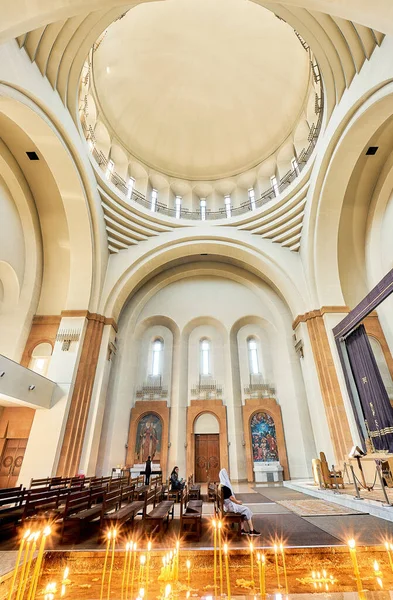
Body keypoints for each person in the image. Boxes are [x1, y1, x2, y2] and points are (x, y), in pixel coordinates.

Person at [219, 468, 260, 536]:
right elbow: (231, 498)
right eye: (227, 474)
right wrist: (237, 502)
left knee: (243, 510)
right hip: (230, 507)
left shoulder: (220, 486)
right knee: (246, 509)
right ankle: (252, 530)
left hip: (225, 507)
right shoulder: (226, 487)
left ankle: (242, 529)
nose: (228, 475)